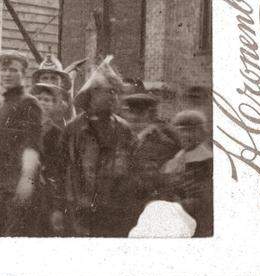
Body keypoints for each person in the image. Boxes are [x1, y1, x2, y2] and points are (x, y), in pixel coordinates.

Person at [63, 60, 136, 237]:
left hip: (115, 212)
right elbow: (66, 169)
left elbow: (131, 169)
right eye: (109, 92)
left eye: (116, 93)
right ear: (93, 94)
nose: (114, 97)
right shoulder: (74, 128)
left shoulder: (124, 129)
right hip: (82, 212)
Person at [0, 51, 43, 237]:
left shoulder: (29, 103)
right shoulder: (4, 105)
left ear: (23, 74)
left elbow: (32, 145)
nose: (7, 74)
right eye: (4, 69)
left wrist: (27, 180)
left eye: (13, 70)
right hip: (1, 187)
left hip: (18, 186)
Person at [123, 88, 180, 220]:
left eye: (139, 112)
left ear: (149, 114)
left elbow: (168, 180)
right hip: (126, 207)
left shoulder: (164, 144)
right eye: (131, 112)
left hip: (152, 207)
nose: (134, 117)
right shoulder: (123, 139)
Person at [161, 110, 212, 237]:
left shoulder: (207, 160)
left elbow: (203, 198)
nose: (185, 135)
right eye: (181, 130)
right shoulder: (174, 161)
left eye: (191, 130)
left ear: (202, 133)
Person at [30, 82, 68, 236]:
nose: (42, 102)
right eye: (38, 98)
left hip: (46, 194)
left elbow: (59, 171)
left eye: (47, 99)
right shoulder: (22, 130)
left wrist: (57, 206)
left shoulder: (58, 134)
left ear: (54, 105)